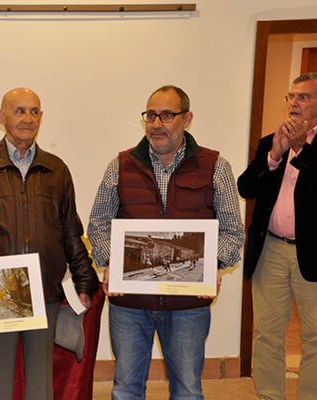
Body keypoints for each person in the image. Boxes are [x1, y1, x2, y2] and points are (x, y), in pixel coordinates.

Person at [87, 85, 244, 399]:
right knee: (126, 389)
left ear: (187, 119)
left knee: (187, 389)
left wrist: (211, 264)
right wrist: (112, 263)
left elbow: (233, 233)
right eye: (151, 115)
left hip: (188, 306)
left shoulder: (216, 167)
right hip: (130, 304)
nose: (156, 124)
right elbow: (98, 224)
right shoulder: (119, 165)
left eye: (167, 115)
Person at [0, 87, 98, 400]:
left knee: (40, 385)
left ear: (41, 118)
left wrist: (85, 281)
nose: (27, 118)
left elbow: (71, 230)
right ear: (1, 117)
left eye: (34, 112)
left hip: (44, 289)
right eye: (19, 111)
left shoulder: (56, 170)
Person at [237, 72, 317, 400]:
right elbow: (246, 187)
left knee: (315, 336)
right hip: (270, 248)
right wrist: (273, 156)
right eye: (291, 96)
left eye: (304, 97)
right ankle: (271, 397)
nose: (294, 103)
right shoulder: (272, 141)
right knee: (267, 334)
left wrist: (300, 150)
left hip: (312, 254)